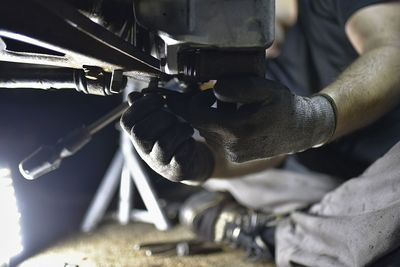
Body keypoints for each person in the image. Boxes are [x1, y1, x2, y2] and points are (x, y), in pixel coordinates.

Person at [121, 0, 400, 266]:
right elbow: (270, 148)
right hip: (328, 181)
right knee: (221, 179)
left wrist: (316, 119)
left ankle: (273, 235)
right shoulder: (254, 60)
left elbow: (393, 47)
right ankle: (338, 226)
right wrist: (204, 164)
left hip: (387, 169)